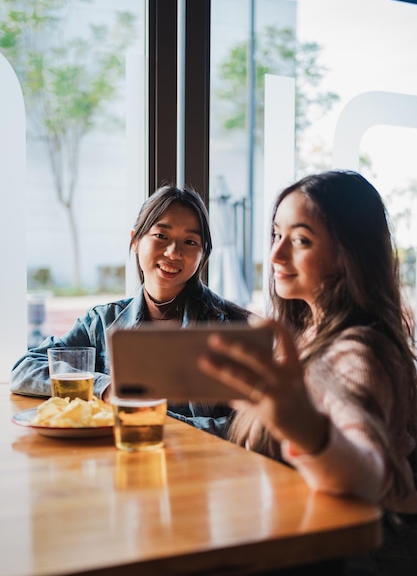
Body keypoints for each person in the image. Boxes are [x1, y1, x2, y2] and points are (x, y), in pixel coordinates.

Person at [197, 170, 417, 574]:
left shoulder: (358, 351)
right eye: (276, 235)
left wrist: (307, 429)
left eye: (300, 240)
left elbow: (368, 472)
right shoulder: (307, 331)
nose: (277, 255)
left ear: (349, 254)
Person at [10, 184, 250, 436]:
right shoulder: (102, 322)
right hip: (123, 458)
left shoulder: (234, 327)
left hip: (206, 465)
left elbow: (250, 424)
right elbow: (24, 369)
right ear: (135, 241)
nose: (173, 252)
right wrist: (106, 388)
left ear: (203, 255)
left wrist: (159, 421)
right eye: (161, 236)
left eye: (190, 241)